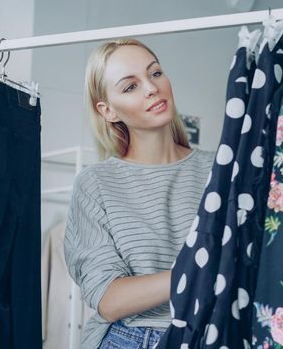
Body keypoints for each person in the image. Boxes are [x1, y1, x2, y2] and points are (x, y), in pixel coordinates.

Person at [64, 38, 215, 349]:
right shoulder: (95, 184)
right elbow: (109, 298)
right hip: (131, 339)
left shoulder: (221, 169)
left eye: (155, 73)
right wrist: (201, 270)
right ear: (108, 110)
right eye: (130, 86)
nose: (151, 88)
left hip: (212, 334)